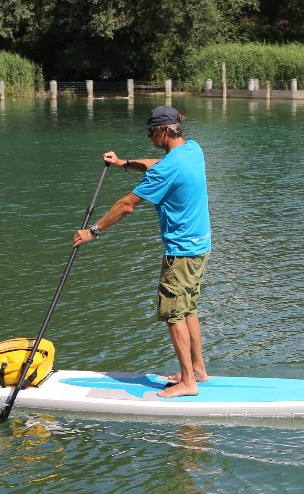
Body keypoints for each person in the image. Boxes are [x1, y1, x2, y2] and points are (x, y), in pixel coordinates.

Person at [73, 105, 211, 398]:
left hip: (181, 251)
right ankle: (198, 368)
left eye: (150, 131)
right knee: (188, 309)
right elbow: (155, 164)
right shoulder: (193, 150)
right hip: (201, 247)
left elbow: (127, 205)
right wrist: (123, 163)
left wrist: (92, 231)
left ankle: (188, 382)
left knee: (174, 314)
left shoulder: (167, 168)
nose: (149, 136)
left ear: (163, 130)